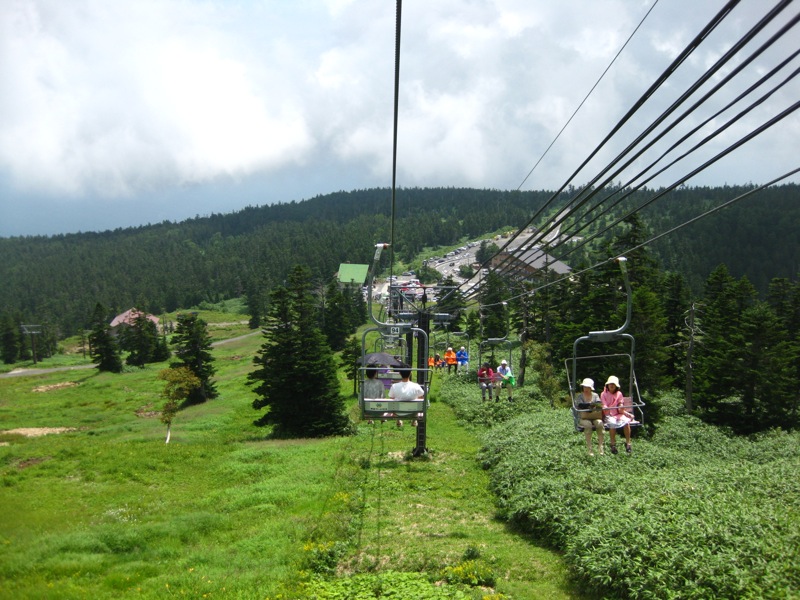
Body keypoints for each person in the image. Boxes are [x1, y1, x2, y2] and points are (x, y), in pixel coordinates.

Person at [601, 375, 635, 454]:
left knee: (626, 422)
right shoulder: (603, 394)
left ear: (616, 386)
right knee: (612, 424)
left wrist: (621, 406)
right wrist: (605, 407)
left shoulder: (619, 394)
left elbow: (620, 403)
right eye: (610, 384)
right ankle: (613, 444)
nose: (612, 385)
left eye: (613, 384)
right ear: (607, 385)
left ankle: (628, 443)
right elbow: (604, 404)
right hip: (608, 414)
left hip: (617, 414)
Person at [575, 378, 604, 456]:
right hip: (583, 417)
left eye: (588, 387)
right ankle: (589, 448)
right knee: (588, 425)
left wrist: (594, 405)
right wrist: (590, 405)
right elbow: (580, 405)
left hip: (594, 416)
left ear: (591, 388)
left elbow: (599, 405)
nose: (586, 389)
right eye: (584, 387)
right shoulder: (580, 396)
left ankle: (601, 446)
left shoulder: (595, 395)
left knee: (600, 424)